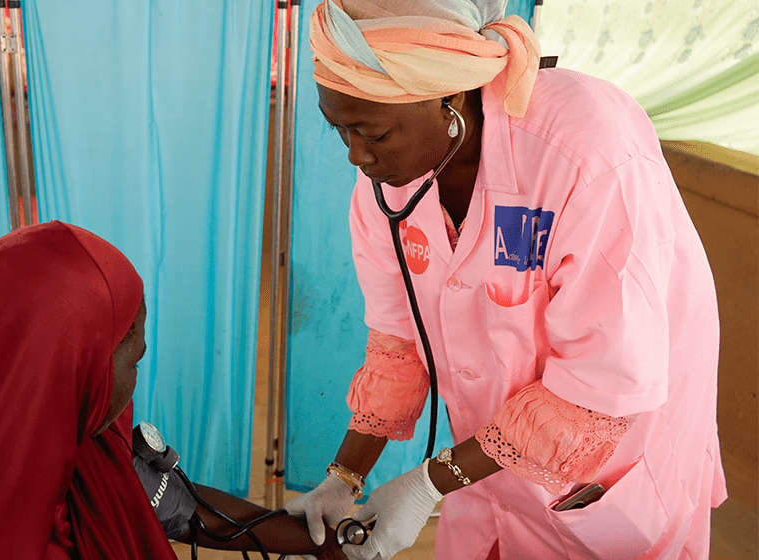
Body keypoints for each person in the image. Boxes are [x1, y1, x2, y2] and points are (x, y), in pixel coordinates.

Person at [284, 1, 727, 559]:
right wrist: (343, 477)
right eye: (339, 129)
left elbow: (598, 388)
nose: (355, 155)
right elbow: (397, 344)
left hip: (610, 466)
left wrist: (427, 483)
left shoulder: (588, 152)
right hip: (487, 465)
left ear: (446, 97)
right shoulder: (386, 186)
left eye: (371, 132)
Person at [0, 220, 343, 559]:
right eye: (133, 357)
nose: (136, 380)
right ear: (73, 368)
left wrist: (320, 536)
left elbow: (183, 509)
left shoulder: (73, 436)